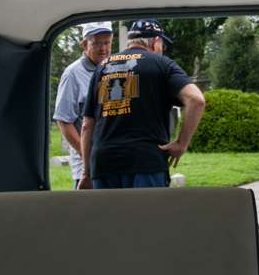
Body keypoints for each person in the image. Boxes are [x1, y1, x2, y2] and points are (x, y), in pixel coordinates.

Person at [78, 19, 206, 189]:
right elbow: (196, 100)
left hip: (103, 164)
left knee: (108, 216)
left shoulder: (102, 67)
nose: (163, 51)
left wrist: (86, 173)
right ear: (155, 42)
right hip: (146, 163)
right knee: (147, 216)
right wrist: (181, 144)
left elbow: (87, 125)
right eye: (163, 46)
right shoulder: (163, 64)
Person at [52, 22, 114, 183]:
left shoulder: (114, 68)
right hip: (87, 170)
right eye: (96, 43)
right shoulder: (72, 74)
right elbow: (63, 120)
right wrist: (87, 154)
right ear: (84, 44)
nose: (103, 49)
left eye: (106, 42)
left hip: (113, 163)